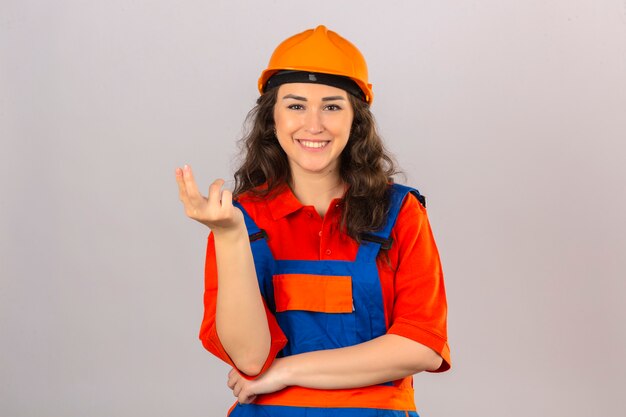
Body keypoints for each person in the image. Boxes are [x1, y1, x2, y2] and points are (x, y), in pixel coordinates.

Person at [175, 25, 450, 417]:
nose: (314, 124)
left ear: (357, 120)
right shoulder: (239, 219)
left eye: (333, 106)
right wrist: (230, 235)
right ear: (272, 118)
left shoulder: (400, 213)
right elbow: (251, 362)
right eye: (296, 105)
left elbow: (420, 345)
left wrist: (287, 370)